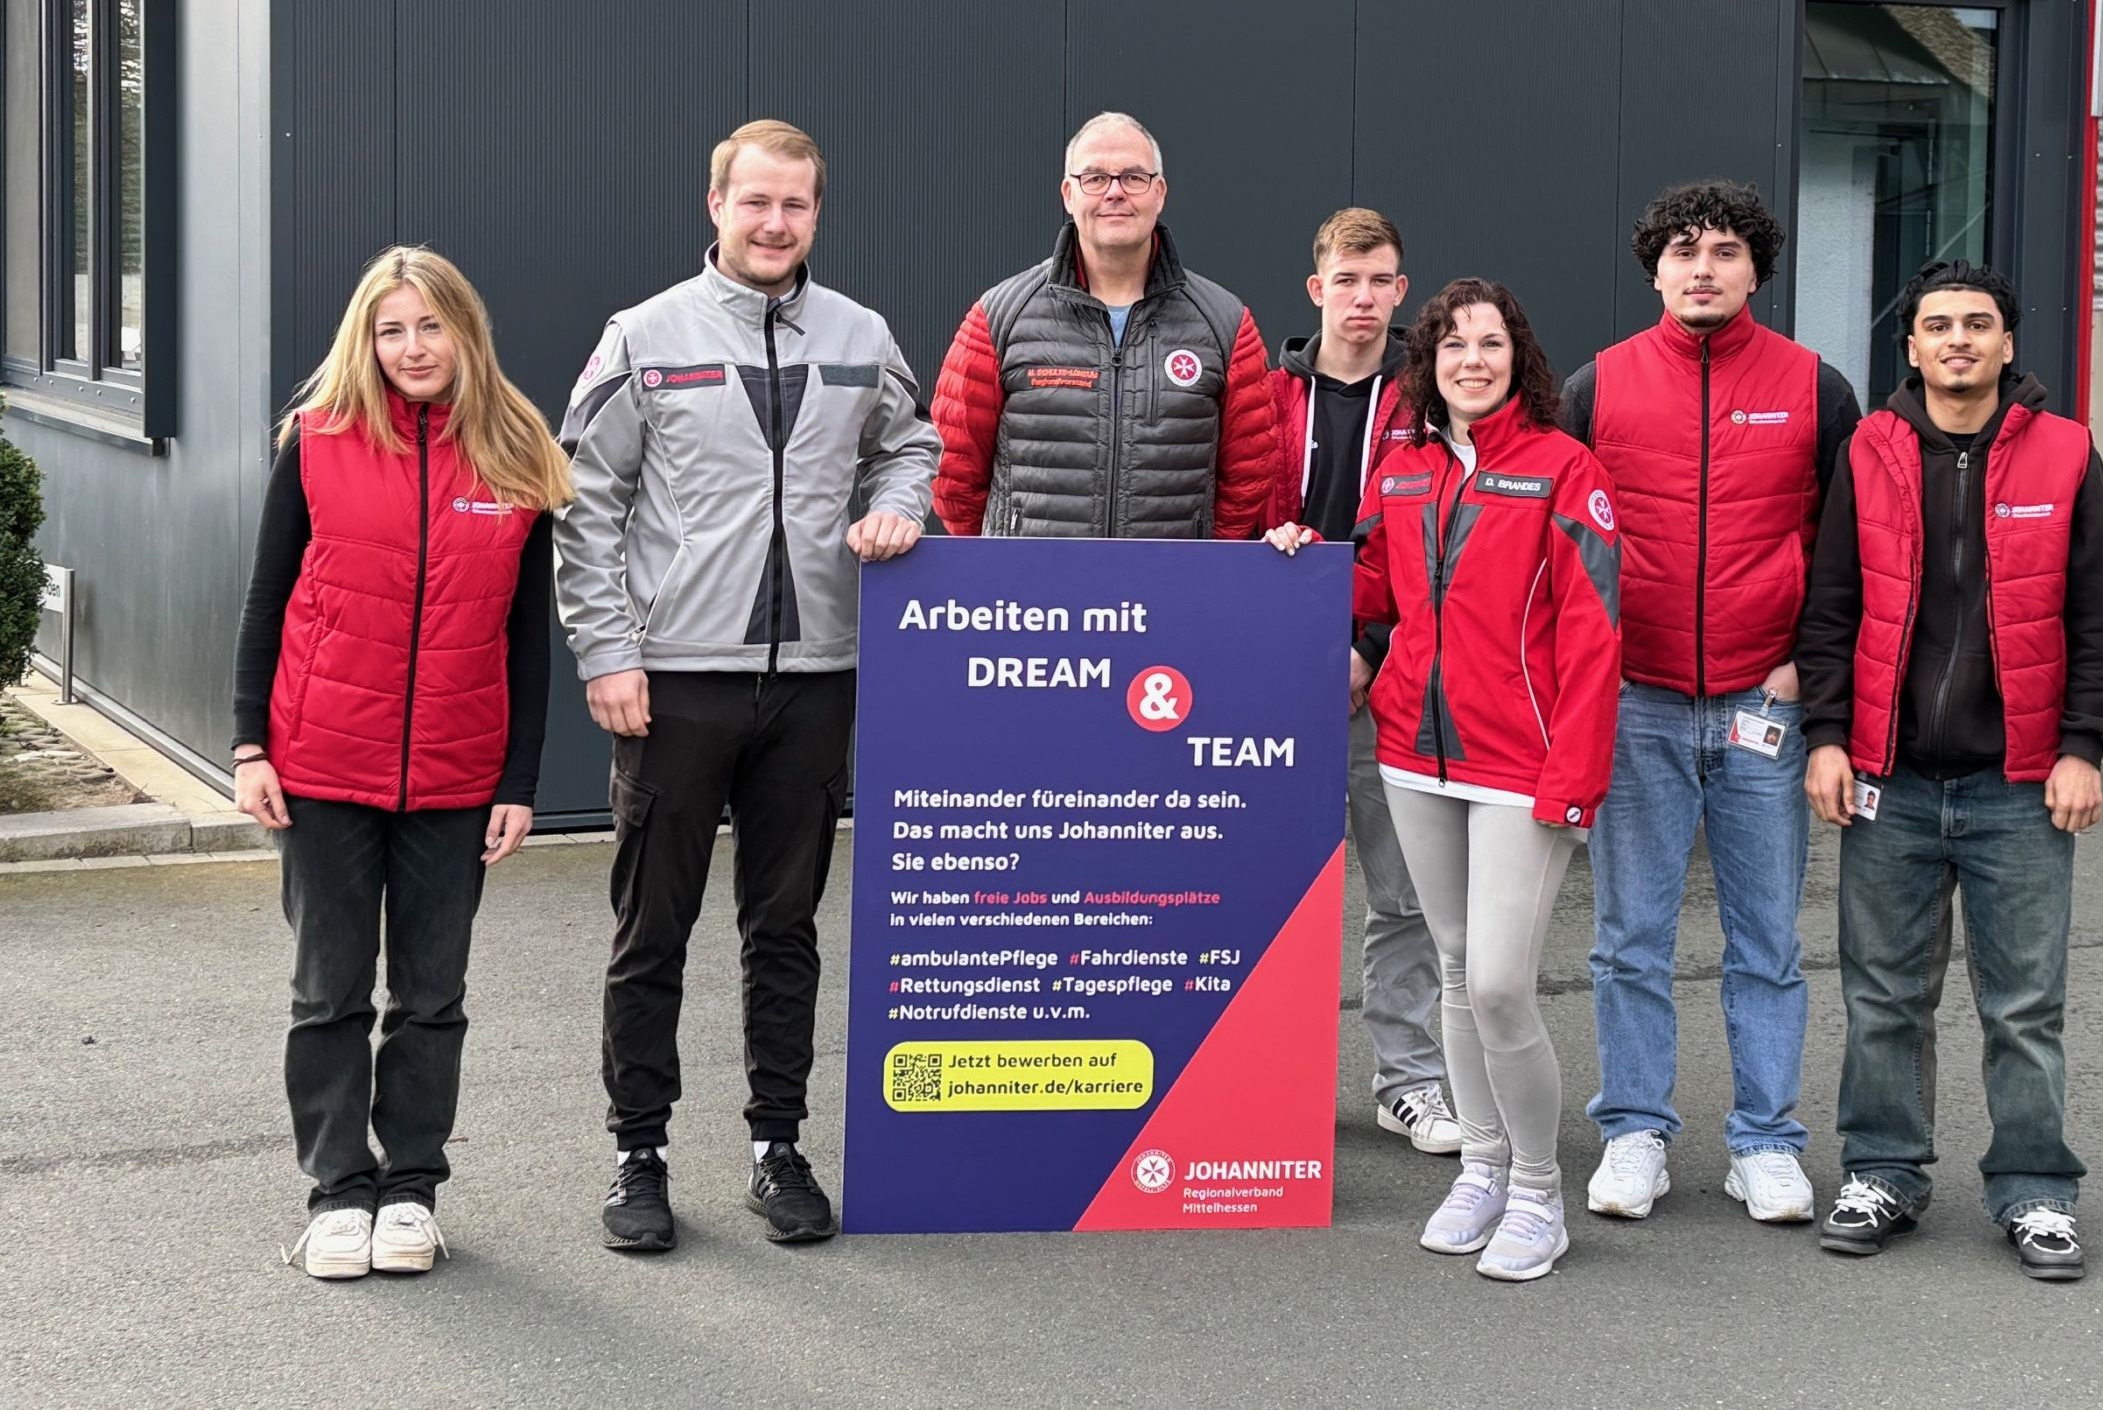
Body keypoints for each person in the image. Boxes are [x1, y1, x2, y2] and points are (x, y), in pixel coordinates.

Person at [556, 117, 938, 1253]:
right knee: (651, 931)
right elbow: (585, 501)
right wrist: (608, 651)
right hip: (674, 682)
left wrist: (900, 505)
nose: (776, 224)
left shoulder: (861, 334)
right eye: (756, 202)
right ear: (715, 204)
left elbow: (910, 444)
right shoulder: (646, 334)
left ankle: (780, 1147)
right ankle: (639, 1155)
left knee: (785, 930)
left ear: (817, 213)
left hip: (817, 682)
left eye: (797, 206)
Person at [231, 245, 569, 1281]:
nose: (411, 348)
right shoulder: (318, 440)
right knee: (329, 988)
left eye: (429, 326)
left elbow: (525, 635)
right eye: (391, 329)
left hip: (457, 780)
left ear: (464, 331)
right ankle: (338, 1189)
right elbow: (268, 596)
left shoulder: (514, 450)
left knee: (431, 993)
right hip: (322, 761)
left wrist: (520, 781)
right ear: (364, 340)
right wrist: (250, 743)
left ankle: (411, 1187)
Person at [1273, 278, 1620, 1282]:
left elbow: (1596, 640)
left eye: (1492, 344)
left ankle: (1538, 1193)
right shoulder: (1406, 469)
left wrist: (1573, 780)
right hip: (1414, 760)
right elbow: (1375, 587)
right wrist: (1302, 557)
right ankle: (1480, 1165)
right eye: (1455, 345)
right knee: (1461, 973)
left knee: (1503, 983)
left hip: (1523, 766)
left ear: (1519, 360)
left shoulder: (1564, 469)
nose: (1474, 360)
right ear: (1429, 365)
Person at [1795, 258, 2103, 1282]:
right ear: (1910, 348)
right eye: (1936, 324)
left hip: (2019, 784)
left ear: (2007, 343)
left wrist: (2083, 747)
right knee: (1883, 997)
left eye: (1977, 324)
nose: (1956, 340)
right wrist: (1824, 734)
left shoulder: (2065, 453)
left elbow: (2096, 619)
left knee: (2022, 1005)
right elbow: (1830, 608)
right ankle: (1883, 1173)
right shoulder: (1869, 449)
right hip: (1888, 781)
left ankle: (2035, 1192)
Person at [1563, 181, 1859, 1228]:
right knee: (1628, 937)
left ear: (1755, 270)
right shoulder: (1595, 388)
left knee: (1766, 940)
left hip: (1760, 700)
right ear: (1653, 268)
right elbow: (1562, 546)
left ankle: (1765, 1144)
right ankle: (1634, 1130)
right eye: (1682, 251)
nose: (1702, 268)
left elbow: (1847, 551)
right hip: (1636, 702)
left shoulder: (1815, 389)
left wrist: (1804, 671)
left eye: (1724, 251)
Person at [1262, 209, 1456, 1156]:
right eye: (1349, 279)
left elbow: (1434, 545)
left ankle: (1407, 1080)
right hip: (1273, 682)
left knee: (1404, 895)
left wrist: (1367, 648)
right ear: (1318, 289)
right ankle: (1268, 1081)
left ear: (1401, 290)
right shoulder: (1263, 396)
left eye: (1382, 280)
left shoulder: (1433, 401)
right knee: (1267, 893)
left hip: (1390, 678)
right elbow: (1237, 515)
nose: (1366, 298)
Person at [930, 111, 1276, 538]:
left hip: (1168, 594)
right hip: (1034, 597)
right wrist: (1007, 562)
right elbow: (952, 472)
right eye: (1094, 178)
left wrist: (1197, 566)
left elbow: (1250, 474)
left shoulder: (1225, 323)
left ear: (1160, 192)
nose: (1115, 192)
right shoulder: (999, 316)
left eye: (1134, 177)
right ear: (1068, 194)